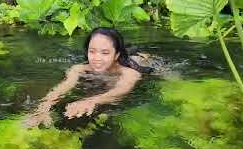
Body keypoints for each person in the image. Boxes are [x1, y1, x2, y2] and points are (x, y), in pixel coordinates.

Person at [23, 27, 152, 128]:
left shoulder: (130, 73)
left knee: (143, 59)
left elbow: (121, 90)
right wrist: (43, 107)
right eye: (92, 51)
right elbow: (63, 87)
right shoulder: (79, 69)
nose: (97, 58)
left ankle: (140, 55)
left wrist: (91, 101)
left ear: (116, 55)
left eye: (105, 53)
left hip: (141, 62)